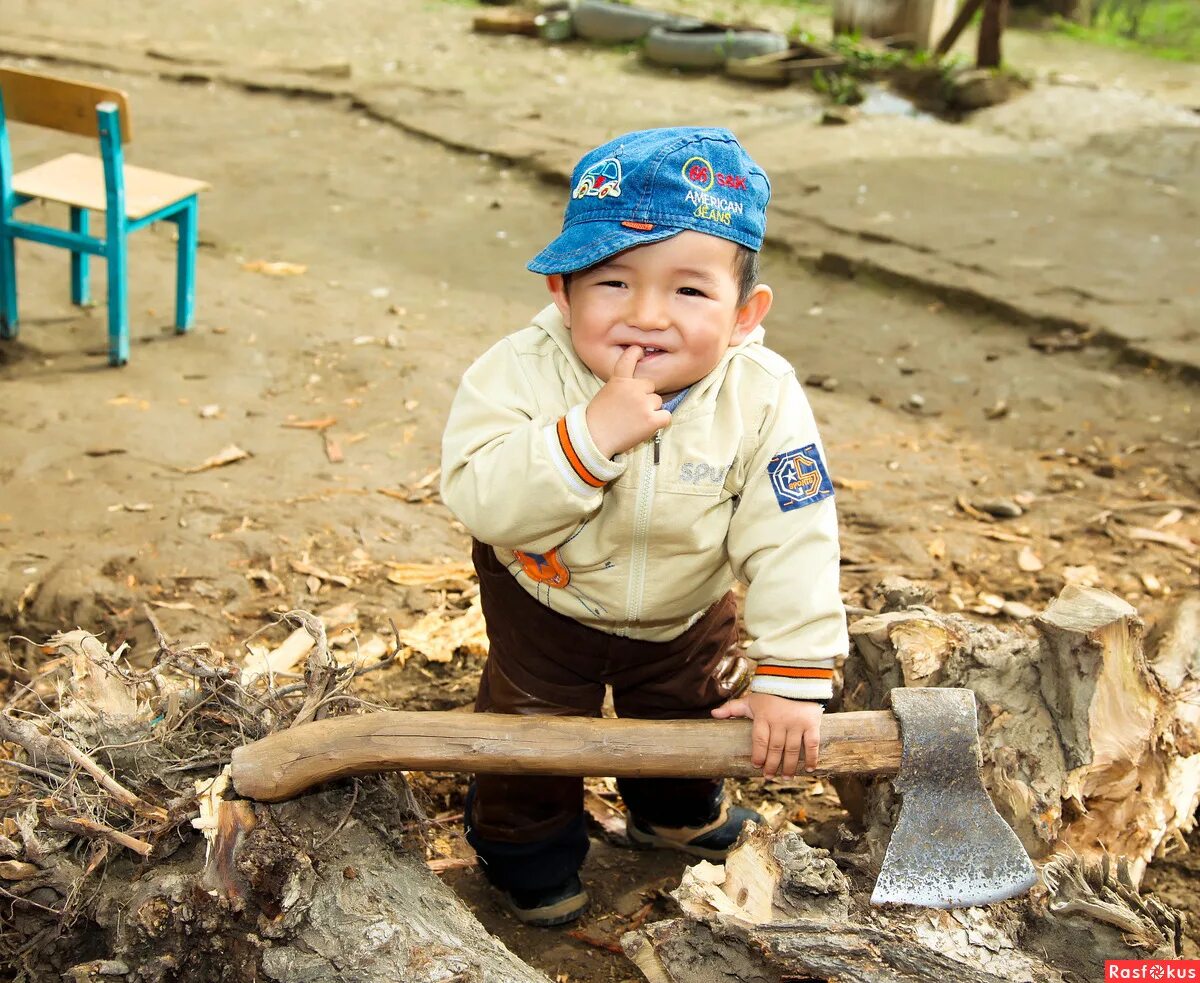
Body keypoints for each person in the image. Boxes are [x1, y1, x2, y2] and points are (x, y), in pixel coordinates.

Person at [440, 127, 847, 927]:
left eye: (690, 291)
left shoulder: (761, 394)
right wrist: (588, 436)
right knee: (531, 735)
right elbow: (480, 499)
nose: (648, 316)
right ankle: (529, 855)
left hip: (685, 608)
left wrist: (793, 670)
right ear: (562, 290)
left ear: (743, 314)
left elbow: (794, 530)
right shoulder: (518, 369)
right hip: (544, 603)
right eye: (614, 284)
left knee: (689, 713)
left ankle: (673, 812)